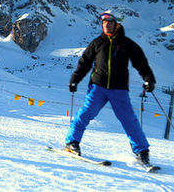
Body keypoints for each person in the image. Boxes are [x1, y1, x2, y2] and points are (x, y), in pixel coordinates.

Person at [65, 10, 156, 165]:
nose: (106, 25)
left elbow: (140, 62)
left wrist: (149, 79)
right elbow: (84, 64)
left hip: (119, 89)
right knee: (85, 114)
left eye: (109, 22)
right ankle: (72, 142)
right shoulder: (97, 43)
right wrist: (74, 80)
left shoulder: (127, 44)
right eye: (104, 23)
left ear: (117, 24)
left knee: (129, 121)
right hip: (98, 87)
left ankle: (142, 151)